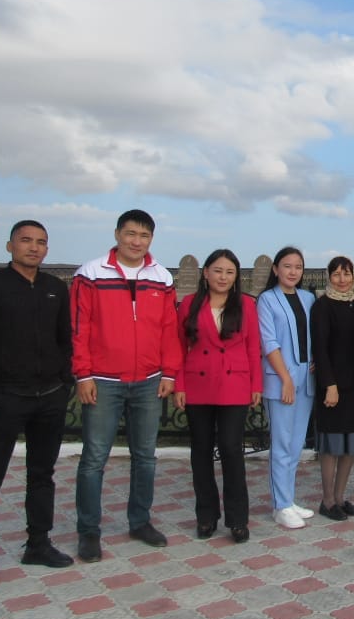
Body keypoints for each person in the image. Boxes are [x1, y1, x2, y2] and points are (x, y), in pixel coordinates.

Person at [0, 220, 75, 593]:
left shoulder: (54, 288)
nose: (33, 247)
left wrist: (64, 382)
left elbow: (65, 339)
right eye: (26, 240)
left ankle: (38, 543)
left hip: (49, 396)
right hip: (7, 398)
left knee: (42, 475)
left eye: (41, 242)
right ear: (11, 246)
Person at [73, 209, 182, 563]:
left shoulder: (161, 277)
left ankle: (140, 521)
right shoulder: (91, 273)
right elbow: (80, 327)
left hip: (148, 381)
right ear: (118, 234)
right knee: (94, 458)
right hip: (103, 381)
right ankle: (89, 530)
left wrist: (169, 373)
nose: (136, 241)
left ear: (151, 239)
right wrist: (83, 374)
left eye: (144, 235)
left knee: (145, 456)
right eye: (131, 233)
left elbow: (169, 329)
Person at [174, 249, 262, 544]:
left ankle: (237, 519)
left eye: (230, 272)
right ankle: (206, 516)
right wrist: (179, 385)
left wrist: (256, 385)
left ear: (236, 277)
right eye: (218, 270)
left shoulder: (246, 305)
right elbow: (179, 346)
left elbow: (253, 347)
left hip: (234, 384)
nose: (223, 277)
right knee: (200, 452)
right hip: (198, 384)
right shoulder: (189, 303)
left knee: (231, 450)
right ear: (206, 272)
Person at [310, 255, 354, 521]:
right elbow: (320, 349)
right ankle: (326, 500)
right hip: (333, 386)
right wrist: (329, 384)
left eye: (347, 273)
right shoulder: (322, 306)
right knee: (331, 445)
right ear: (329, 277)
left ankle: (339, 497)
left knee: (350, 445)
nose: (342, 279)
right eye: (336, 274)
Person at [257, 246, 316, 530]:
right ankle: (280, 505)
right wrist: (286, 378)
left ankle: (289, 499)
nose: (293, 272)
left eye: (298, 267)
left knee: (296, 444)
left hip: (307, 377)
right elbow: (269, 342)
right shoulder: (267, 300)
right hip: (282, 379)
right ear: (276, 269)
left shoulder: (308, 298)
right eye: (287, 266)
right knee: (281, 444)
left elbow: (315, 334)